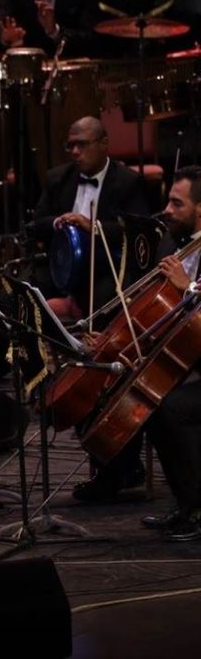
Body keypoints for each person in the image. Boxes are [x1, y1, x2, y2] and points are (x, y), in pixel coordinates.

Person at [28, 115, 149, 502]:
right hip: (65, 271)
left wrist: (92, 225)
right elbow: (35, 225)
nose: (75, 152)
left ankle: (113, 455)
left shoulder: (128, 182)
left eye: (82, 144)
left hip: (108, 276)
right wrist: (59, 223)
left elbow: (139, 231)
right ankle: (46, 388)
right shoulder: (57, 178)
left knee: (100, 341)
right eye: (71, 145)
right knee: (23, 302)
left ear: (104, 144)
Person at [137, 166, 201, 541]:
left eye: (177, 203)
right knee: (148, 403)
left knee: (172, 408)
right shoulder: (175, 245)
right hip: (191, 359)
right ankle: (185, 503)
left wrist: (187, 287)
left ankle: (197, 508)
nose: (167, 209)